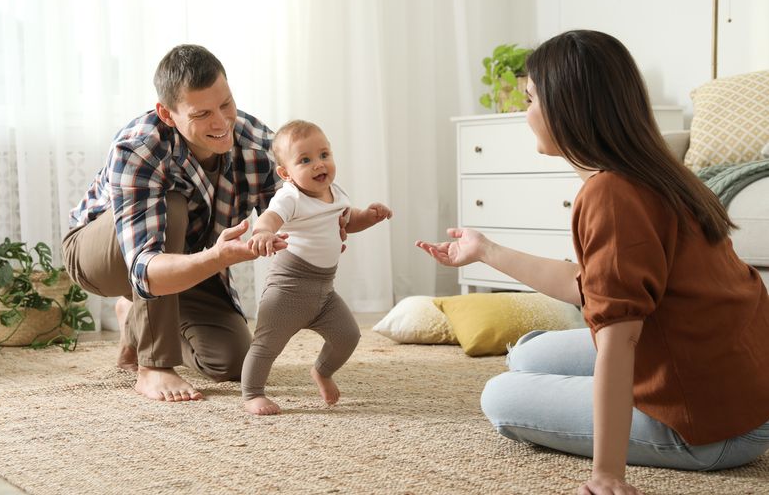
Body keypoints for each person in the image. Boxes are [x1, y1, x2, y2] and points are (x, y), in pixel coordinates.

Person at [416, 30, 769, 494]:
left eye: (529, 100)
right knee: (526, 351)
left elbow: (619, 343)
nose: (525, 115)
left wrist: (608, 475)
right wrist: (485, 251)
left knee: (499, 395)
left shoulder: (611, 194)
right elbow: (591, 286)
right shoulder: (659, 174)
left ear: (567, 106)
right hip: (734, 386)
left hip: (709, 430)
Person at [63, 45, 290, 402]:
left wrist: (329, 221)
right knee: (173, 205)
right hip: (104, 258)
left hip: (185, 256)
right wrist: (217, 259)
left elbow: (292, 200)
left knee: (233, 361)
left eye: (226, 104)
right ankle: (153, 366)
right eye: (202, 113)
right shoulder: (139, 146)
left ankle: (133, 319)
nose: (222, 122)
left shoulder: (254, 140)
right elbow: (144, 265)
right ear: (167, 114)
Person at [242, 120, 392, 415]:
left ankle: (322, 371)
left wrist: (370, 216)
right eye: (305, 160)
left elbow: (349, 221)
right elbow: (271, 217)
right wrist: (262, 233)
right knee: (266, 345)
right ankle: (252, 393)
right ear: (286, 173)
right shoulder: (290, 197)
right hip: (289, 288)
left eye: (324, 155)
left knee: (348, 335)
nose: (318, 165)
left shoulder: (336, 193)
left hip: (324, 289)